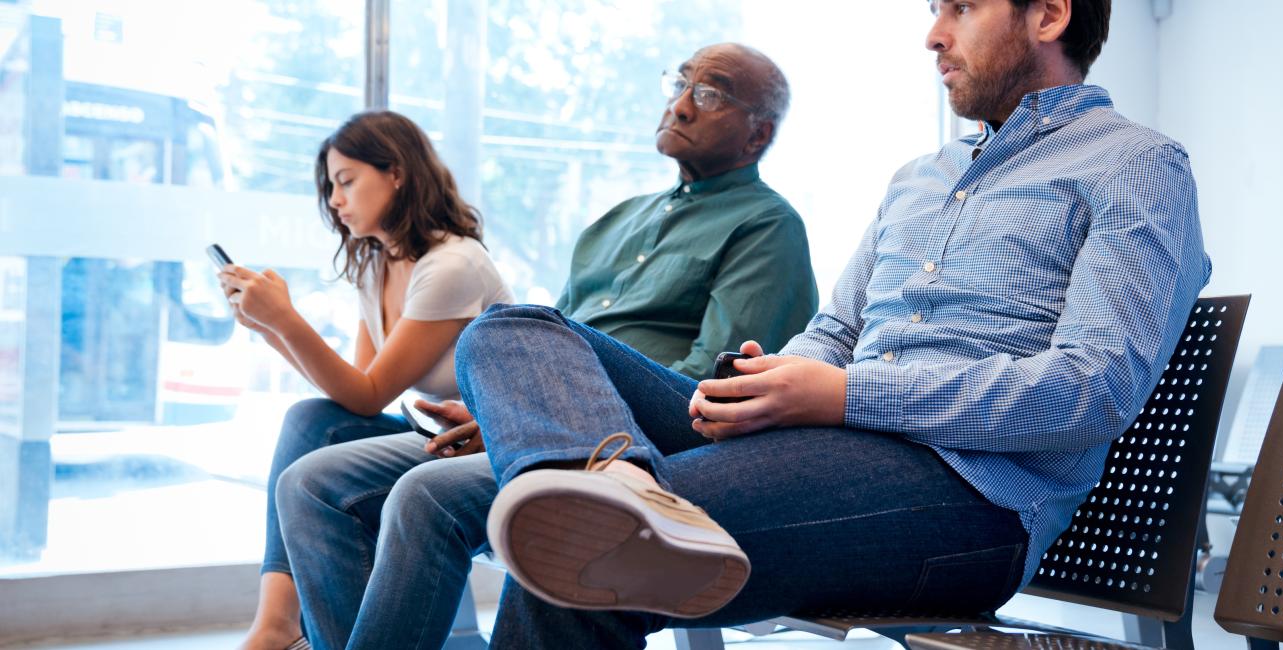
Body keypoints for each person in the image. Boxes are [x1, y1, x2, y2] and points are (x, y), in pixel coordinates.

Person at [457, 0, 1215, 647]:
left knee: (587, 555)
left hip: (973, 502)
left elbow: (1092, 391)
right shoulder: (922, 177)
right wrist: (771, 379)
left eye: (961, 7)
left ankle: (616, 501)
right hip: (828, 445)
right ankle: (620, 484)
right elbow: (834, 334)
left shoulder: (1135, 164)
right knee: (512, 329)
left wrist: (845, 396)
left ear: (1049, 14)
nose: (933, 35)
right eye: (934, 12)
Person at [274, 43, 818, 650]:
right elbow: (551, 346)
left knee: (426, 494)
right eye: (680, 84)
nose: (681, 105)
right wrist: (504, 411)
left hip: (635, 449)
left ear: (756, 135)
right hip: (533, 427)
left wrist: (541, 421)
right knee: (311, 483)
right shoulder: (615, 222)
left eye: (710, 95)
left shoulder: (767, 227)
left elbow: (705, 394)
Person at [222, 111, 512, 650]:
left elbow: (370, 393)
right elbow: (352, 393)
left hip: (481, 442)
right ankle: (277, 624)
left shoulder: (452, 266)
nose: (334, 199)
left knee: (311, 451)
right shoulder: (375, 265)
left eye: (346, 180)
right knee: (311, 418)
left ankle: (286, 631)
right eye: (331, 186)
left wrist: (283, 319)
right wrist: (267, 327)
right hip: (430, 436)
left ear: (396, 172)